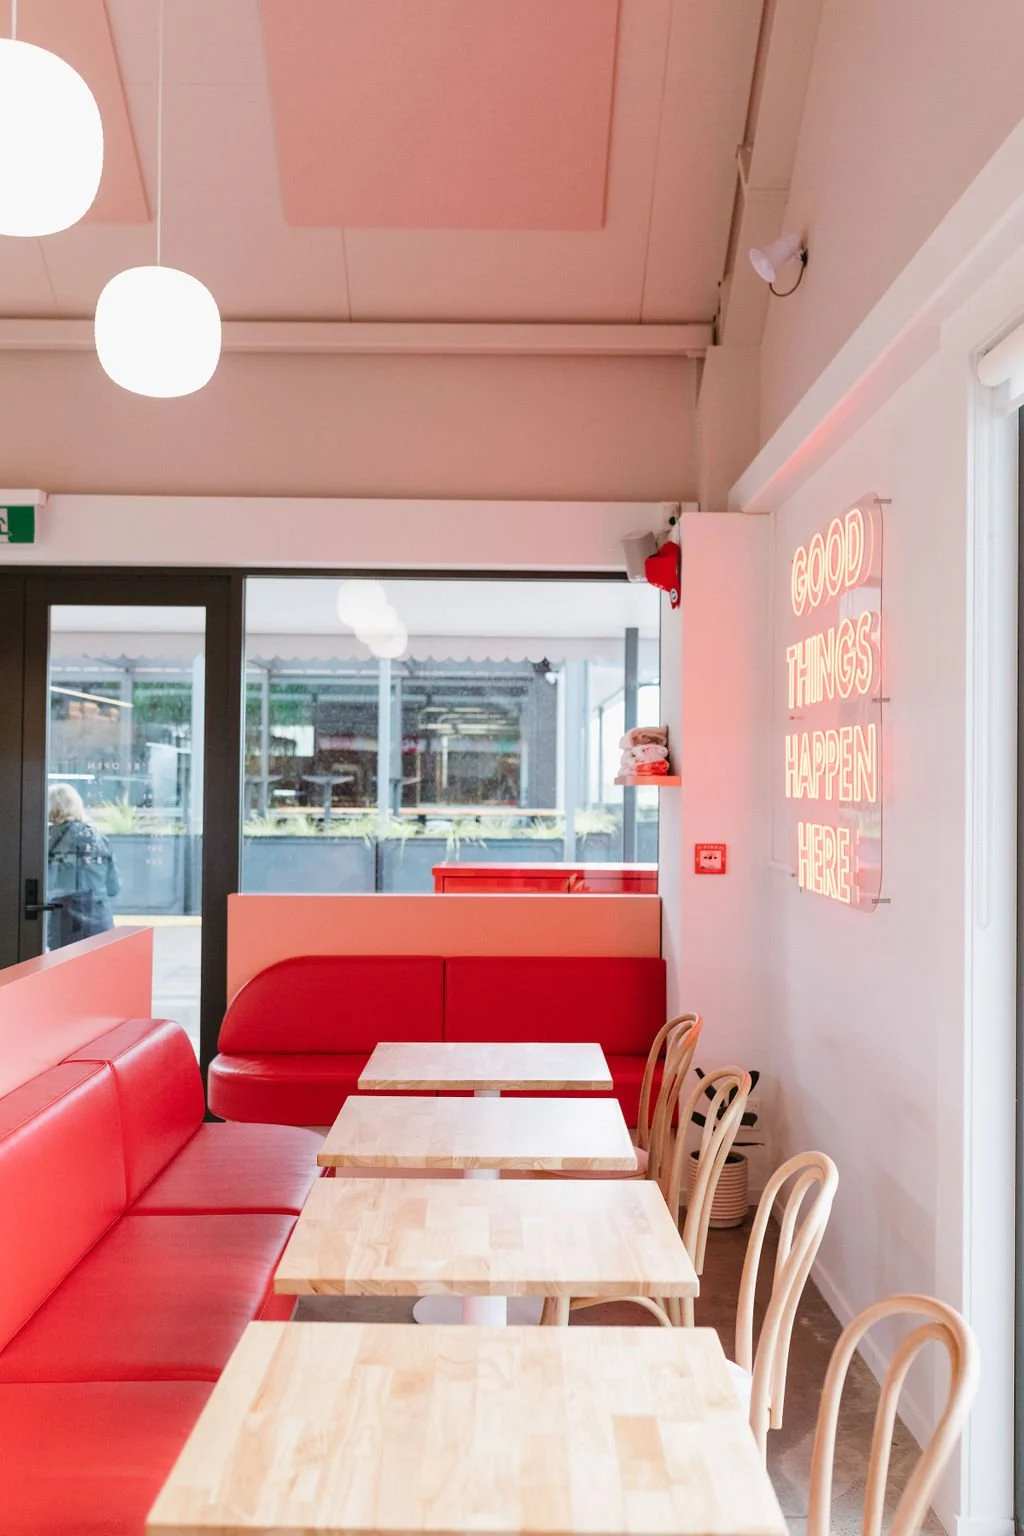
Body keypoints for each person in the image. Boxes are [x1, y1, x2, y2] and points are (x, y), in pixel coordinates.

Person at [46, 784, 121, 949]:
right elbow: (113, 888)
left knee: (64, 972)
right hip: (100, 922)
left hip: (63, 924)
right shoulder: (100, 839)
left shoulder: (48, 840)